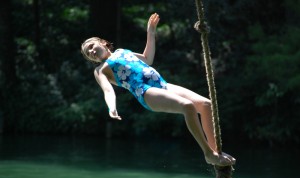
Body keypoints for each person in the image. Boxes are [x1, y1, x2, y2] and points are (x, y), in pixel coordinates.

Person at [81, 13, 235, 166]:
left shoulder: (122, 51)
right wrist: (112, 108)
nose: (91, 52)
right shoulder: (101, 70)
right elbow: (108, 90)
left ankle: (216, 153)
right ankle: (208, 154)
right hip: (146, 92)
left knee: (206, 104)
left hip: (163, 85)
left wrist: (151, 32)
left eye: (91, 47)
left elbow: (148, 58)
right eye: (88, 54)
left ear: (102, 43)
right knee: (187, 106)